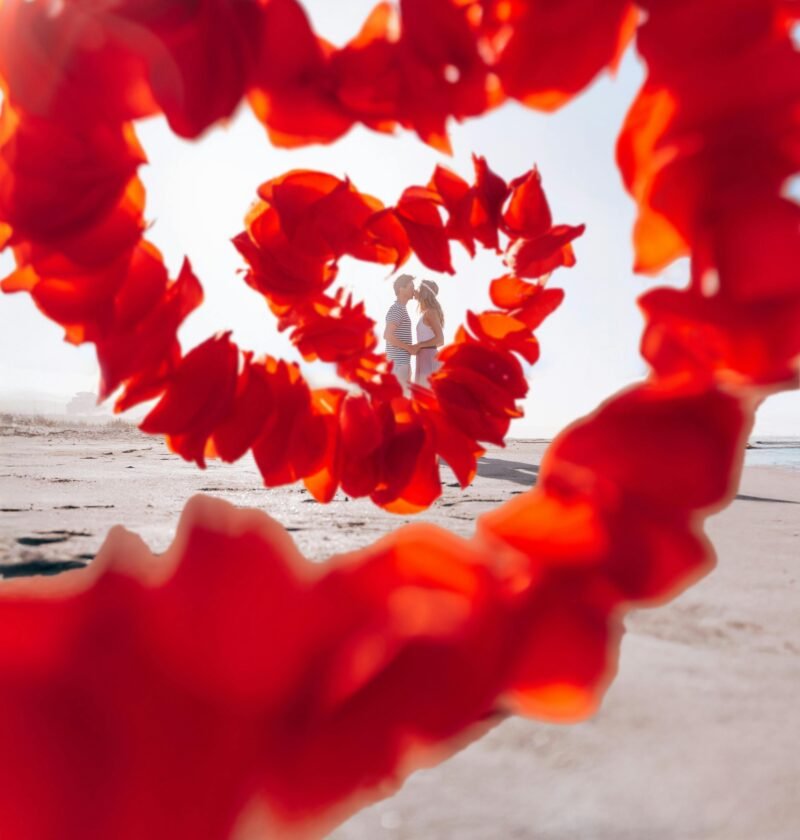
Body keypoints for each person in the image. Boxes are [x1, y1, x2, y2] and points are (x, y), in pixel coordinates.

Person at [384, 274, 416, 385]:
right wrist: (409, 348)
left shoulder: (401, 309)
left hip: (402, 365)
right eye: (411, 286)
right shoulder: (397, 309)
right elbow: (387, 335)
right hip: (397, 366)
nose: (414, 289)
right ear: (401, 289)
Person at [413, 279, 445, 387]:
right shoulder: (426, 313)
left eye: (418, 288)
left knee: (427, 393)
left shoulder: (430, 312)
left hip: (429, 356)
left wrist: (420, 345)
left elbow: (440, 340)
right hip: (423, 356)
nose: (415, 290)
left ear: (424, 292)